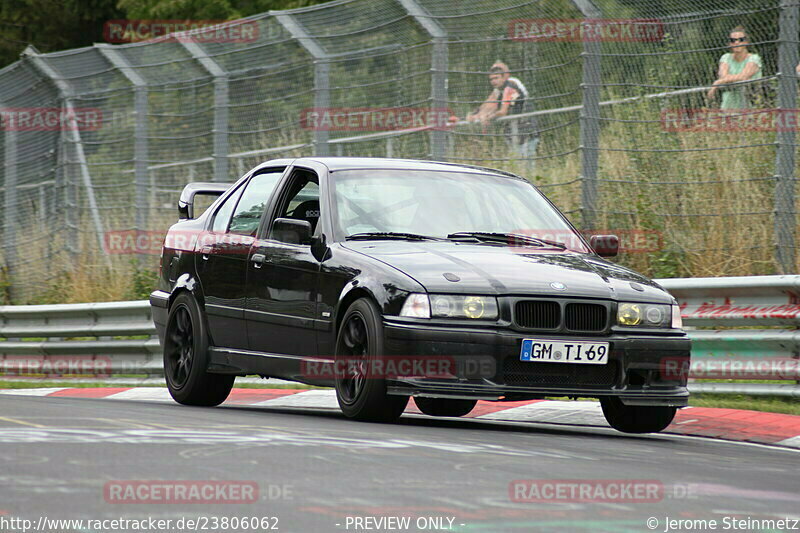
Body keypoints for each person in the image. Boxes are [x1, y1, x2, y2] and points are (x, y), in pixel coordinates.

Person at [466, 61, 539, 161]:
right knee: (516, 162)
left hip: (527, 129)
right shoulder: (498, 90)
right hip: (513, 132)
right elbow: (487, 106)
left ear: (504, 76)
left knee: (526, 163)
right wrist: (475, 115)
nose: (493, 81)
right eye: (491, 79)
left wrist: (489, 117)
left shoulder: (510, 85)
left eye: (496, 78)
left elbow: (502, 111)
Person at [707, 26, 763, 109]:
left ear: (746, 42)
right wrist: (726, 79)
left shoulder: (754, 58)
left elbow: (744, 76)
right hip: (728, 106)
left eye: (741, 40)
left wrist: (718, 82)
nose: (736, 43)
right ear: (729, 44)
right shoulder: (726, 57)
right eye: (733, 40)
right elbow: (723, 75)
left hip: (750, 105)